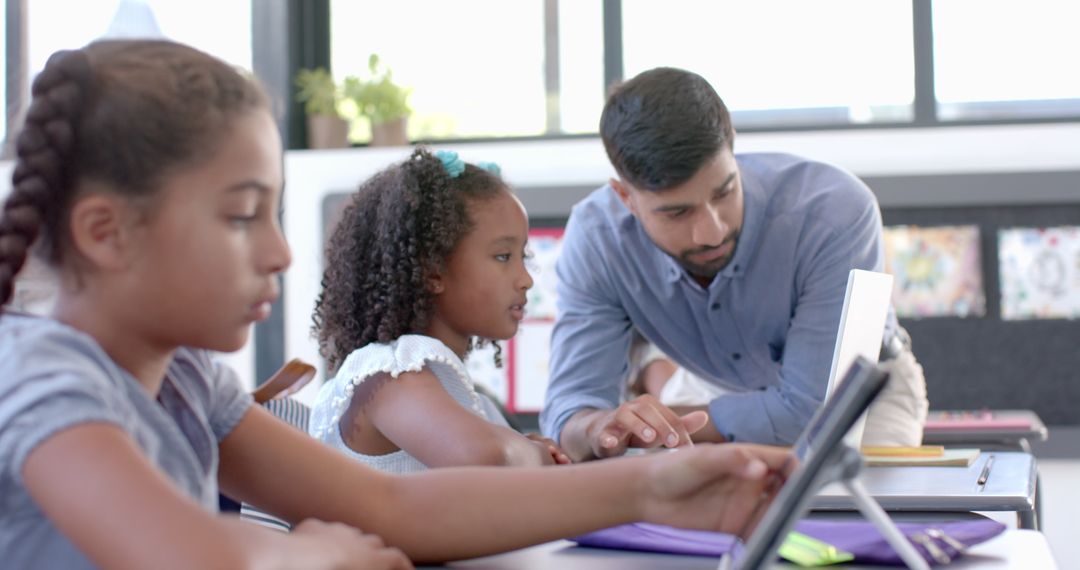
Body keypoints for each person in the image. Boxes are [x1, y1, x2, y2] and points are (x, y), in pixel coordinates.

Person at [0, 41, 795, 569]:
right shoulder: (44, 377)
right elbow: (172, 550)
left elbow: (387, 502)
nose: (279, 253)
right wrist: (291, 556)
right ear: (106, 232)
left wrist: (652, 488)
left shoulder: (189, 381)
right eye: (244, 215)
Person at [541, 66, 928, 462]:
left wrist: (664, 426)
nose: (710, 231)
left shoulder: (835, 212)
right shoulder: (597, 239)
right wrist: (600, 428)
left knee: (854, 511)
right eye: (677, 213)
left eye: (725, 191)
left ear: (732, 148)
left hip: (855, 394)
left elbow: (814, 411)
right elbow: (569, 408)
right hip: (708, 393)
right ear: (625, 198)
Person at [308, 148, 571, 472]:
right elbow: (488, 459)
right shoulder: (388, 376)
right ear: (433, 271)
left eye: (524, 257)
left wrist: (525, 447)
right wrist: (534, 454)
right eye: (503, 256)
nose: (526, 279)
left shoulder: (470, 403)